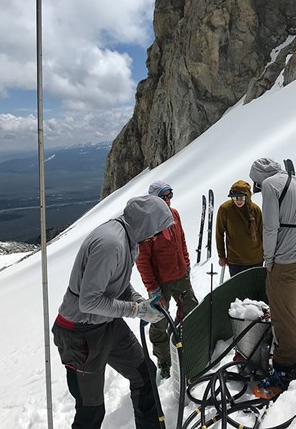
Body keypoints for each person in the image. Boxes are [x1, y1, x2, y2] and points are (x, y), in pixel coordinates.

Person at [52, 194, 170, 429]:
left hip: (106, 324)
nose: (155, 238)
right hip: (80, 333)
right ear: (146, 224)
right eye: (156, 232)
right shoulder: (111, 244)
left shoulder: (127, 239)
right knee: (91, 410)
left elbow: (117, 284)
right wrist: (135, 310)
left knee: (145, 374)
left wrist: (140, 302)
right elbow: (89, 302)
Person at [249, 157, 296, 398]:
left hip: (286, 262)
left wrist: (269, 260)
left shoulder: (270, 185)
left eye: (254, 182)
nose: (256, 187)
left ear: (260, 178)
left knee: (284, 316)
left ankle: (284, 369)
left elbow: (270, 227)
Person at [136, 181, 198, 379]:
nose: (168, 200)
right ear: (154, 199)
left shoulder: (174, 214)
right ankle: (164, 361)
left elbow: (181, 240)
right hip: (160, 283)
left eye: (170, 196)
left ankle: (186, 348)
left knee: (190, 310)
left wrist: (186, 263)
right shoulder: (146, 224)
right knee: (159, 323)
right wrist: (153, 289)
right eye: (163, 197)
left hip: (181, 275)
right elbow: (142, 260)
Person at [215, 180, 264, 276]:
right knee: (240, 290)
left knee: (255, 289)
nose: (238, 201)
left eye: (241, 197)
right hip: (236, 261)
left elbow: (262, 232)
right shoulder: (225, 209)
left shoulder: (255, 210)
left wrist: (268, 254)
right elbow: (219, 234)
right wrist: (221, 256)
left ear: (247, 196)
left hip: (256, 259)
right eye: (235, 198)